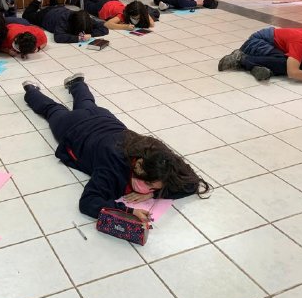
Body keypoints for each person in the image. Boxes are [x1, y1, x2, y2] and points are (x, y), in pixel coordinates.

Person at [22, 74, 211, 220]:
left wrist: (152, 195)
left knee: (86, 103)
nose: (152, 188)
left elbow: (192, 183)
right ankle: (30, 90)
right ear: (137, 170)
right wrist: (128, 211)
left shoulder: (159, 156)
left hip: (102, 118)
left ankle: (77, 83)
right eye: (150, 184)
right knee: (52, 110)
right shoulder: (112, 168)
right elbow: (88, 202)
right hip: (74, 128)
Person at [218, 26, 302, 82]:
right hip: (256, 43)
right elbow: (293, 73)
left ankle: (257, 67)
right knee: (287, 65)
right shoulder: (301, 41)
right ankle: (242, 59)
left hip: (272, 48)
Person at [22, 0, 108, 44]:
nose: (82, 32)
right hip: (46, 15)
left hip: (59, 9)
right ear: (73, 24)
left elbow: (104, 28)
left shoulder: (86, 19)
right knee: (27, 15)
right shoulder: (63, 21)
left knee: (55, 7)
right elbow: (58, 37)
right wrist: (79, 38)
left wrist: (91, 34)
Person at [84, 0, 156, 30]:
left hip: (113, 2)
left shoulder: (142, 13)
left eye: (138, 18)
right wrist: (125, 27)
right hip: (102, 8)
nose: (136, 20)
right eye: (134, 18)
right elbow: (107, 24)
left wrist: (145, 13)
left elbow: (152, 24)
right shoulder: (122, 15)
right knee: (86, 4)